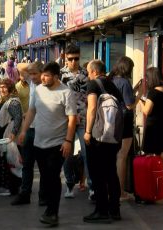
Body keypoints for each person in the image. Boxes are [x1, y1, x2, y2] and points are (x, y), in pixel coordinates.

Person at [18, 62, 77, 227]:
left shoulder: (66, 93)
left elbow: (72, 119)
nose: (42, 78)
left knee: (53, 177)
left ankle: (52, 212)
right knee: (45, 177)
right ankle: (50, 209)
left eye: (47, 75)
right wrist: (23, 131)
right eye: (42, 74)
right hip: (39, 143)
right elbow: (32, 111)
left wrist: (68, 141)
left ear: (56, 76)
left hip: (57, 144)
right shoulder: (38, 90)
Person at [83, 60, 123, 223]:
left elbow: (92, 109)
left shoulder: (93, 85)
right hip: (114, 136)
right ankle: (115, 210)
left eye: (88, 71)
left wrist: (87, 131)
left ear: (93, 71)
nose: (87, 74)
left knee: (97, 174)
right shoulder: (112, 85)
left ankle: (101, 211)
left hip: (99, 137)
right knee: (111, 172)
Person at [11, 61, 46, 206]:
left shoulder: (47, 86)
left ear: (42, 73)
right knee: (27, 165)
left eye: (34, 74)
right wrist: (24, 130)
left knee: (44, 166)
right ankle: (25, 194)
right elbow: (20, 66)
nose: (31, 76)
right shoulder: (32, 83)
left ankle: (43, 196)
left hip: (43, 130)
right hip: (30, 129)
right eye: (30, 74)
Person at [108, 56, 142, 200]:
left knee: (114, 156)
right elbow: (129, 105)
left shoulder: (112, 80)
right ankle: (120, 191)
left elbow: (121, 97)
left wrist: (134, 90)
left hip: (112, 120)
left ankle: (112, 189)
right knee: (122, 156)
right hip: (125, 121)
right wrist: (139, 96)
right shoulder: (124, 82)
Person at [60, 44, 91, 199]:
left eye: (76, 59)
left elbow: (90, 98)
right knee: (68, 154)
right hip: (67, 120)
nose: (73, 62)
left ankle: (91, 186)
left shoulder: (86, 74)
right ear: (66, 58)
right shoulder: (60, 75)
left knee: (87, 153)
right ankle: (70, 185)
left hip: (84, 119)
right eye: (70, 59)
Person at [0, 78, 23, 196]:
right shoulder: (5, 100)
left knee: (8, 162)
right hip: (4, 135)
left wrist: (12, 135)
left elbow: (17, 118)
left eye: (4, 87)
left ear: (10, 88)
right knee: (4, 161)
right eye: (0, 87)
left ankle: (8, 188)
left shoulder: (13, 102)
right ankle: (5, 187)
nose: (2, 89)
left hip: (9, 136)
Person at [140, 67, 163, 161]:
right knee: (162, 155)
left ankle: (153, 175)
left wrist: (140, 102)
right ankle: (161, 175)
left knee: (152, 156)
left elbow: (147, 111)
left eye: (147, 78)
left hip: (153, 128)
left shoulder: (153, 92)